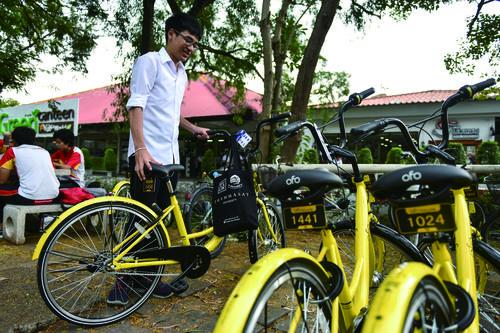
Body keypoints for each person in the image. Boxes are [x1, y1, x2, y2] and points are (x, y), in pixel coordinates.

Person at [108, 13, 209, 305]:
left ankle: (148, 280)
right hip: (148, 158)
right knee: (141, 220)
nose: (191, 48)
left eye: (195, 44)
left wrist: (193, 128)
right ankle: (121, 283)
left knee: (157, 224)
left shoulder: (181, 73)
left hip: (170, 159)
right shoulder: (150, 61)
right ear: (170, 34)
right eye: (187, 40)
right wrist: (140, 150)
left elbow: (172, 113)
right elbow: (136, 104)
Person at [0, 127, 60, 234]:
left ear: (14, 140)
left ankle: (2, 225)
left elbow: (2, 179)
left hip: (28, 197)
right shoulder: (44, 152)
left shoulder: (12, 151)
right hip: (54, 196)